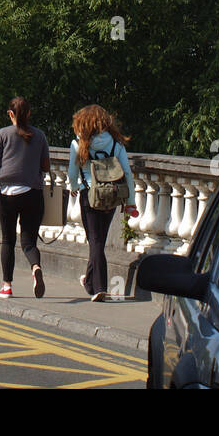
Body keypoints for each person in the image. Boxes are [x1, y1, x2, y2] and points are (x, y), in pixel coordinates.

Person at [0, 98, 49, 299]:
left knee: (8, 241)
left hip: (7, 196)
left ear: (11, 114)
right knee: (29, 242)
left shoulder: (2, 134)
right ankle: (35, 268)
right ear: (29, 114)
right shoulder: (40, 135)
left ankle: (7, 286)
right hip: (33, 194)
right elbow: (46, 167)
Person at [67, 105, 138, 302]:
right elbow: (127, 174)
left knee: (95, 241)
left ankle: (99, 287)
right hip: (112, 197)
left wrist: (73, 186)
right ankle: (89, 281)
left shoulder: (78, 144)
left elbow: (72, 172)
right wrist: (130, 202)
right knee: (97, 240)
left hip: (89, 195)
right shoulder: (116, 144)